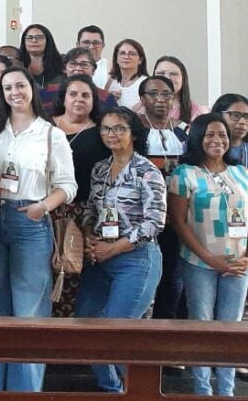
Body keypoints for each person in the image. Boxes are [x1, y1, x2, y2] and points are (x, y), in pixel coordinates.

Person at [0, 68, 76, 392]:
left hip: (30, 221)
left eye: (20, 85)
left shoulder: (51, 134)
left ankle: (25, 393)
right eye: (7, 87)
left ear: (31, 88)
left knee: (29, 311)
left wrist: (43, 207)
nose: (14, 92)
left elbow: (67, 185)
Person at [77, 106, 166, 393]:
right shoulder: (100, 168)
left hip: (135, 259)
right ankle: (112, 389)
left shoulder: (147, 171)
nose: (111, 134)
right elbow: (92, 208)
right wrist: (89, 235)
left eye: (119, 128)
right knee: (87, 327)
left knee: (118, 333)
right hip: (99, 257)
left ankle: (134, 392)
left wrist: (113, 249)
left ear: (133, 133)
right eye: (106, 128)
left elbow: (155, 221)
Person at [168, 113, 248, 396]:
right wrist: (209, 258)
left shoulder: (242, 173)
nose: (217, 140)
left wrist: (246, 257)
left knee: (231, 327)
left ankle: (226, 390)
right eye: (210, 135)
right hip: (199, 262)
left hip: (239, 264)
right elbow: (178, 222)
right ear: (198, 138)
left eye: (222, 135)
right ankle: (203, 389)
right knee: (201, 325)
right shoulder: (184, 173)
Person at [48, 74, 109, 317]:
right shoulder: (45, 126)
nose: (79, 99)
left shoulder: (100, 134)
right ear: (63, 98)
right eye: (73, 94)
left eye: (86, 95)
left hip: (82, 213)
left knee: (72, 269)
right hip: (47, 209)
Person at [139, 75, 188, 320]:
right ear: (142, 99)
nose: (161, 99)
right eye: (153, 94)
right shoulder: (134, 129)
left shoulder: (184, 131)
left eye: (166, 94)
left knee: (172, 278)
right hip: (141, 213)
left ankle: (167, 340)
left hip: (177, 214)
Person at [152, 55, 206, 124]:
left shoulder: (196, 112)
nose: (167, 78)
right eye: (161, 73)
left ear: (183, 79)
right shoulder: (140, 109)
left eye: (174, 74)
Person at [17, 23, 65, 90]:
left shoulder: (62, 63)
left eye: (39, 37)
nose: (34, 40)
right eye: (29, 37)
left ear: (47, 40)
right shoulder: (17, 64)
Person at [105, 38, 148, 109]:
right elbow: (103, 107)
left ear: (140, 60)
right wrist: (110, 100)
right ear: (116, 59)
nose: (126, 57)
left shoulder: (146, 83)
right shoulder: (111, 81)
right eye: (122, 53)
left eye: (132, 54)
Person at [213, 93, 248, 164]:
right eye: (235, 115)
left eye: (246, 117)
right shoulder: (208, 148)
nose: (243, 122)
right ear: (219, 115)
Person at [76, 25, 109, 89]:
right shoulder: (71, 68)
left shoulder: (111, 68)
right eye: (86, 42)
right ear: (78, 45)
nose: (91, 47)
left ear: (103, 45)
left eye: (96, 43)